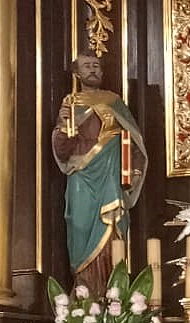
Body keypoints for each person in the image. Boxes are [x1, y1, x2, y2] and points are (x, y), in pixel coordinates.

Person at [51, 53, 148, 292]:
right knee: (80, 226)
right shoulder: (71, 103)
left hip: (111, 173)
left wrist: (134, 170)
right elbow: (62, 150)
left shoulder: (113, 101)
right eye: (87, 66)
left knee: (112, 225)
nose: (93, 70)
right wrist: (63, 127)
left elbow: (133, 139)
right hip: (82, 174)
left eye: (96, 66)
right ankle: (85, 289)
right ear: (77, 73)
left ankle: (113, 289)